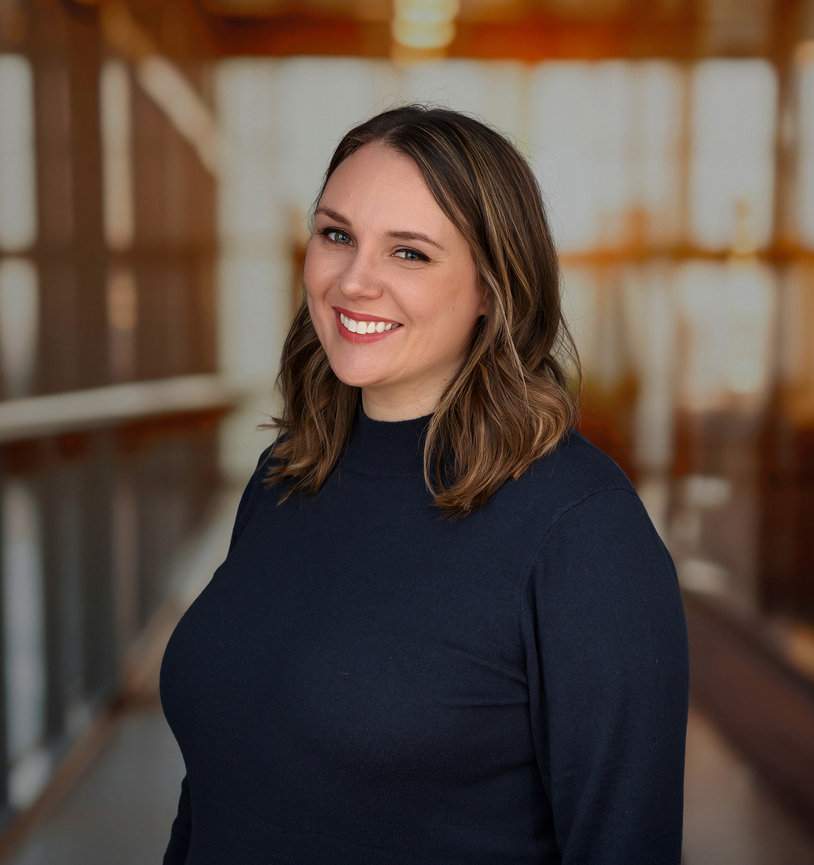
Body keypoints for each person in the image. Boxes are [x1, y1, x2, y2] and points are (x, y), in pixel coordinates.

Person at [160, 105, 688, 865]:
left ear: (491, 288)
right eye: (336, 234)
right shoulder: (286, 475)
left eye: (409, 253)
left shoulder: (580, 529)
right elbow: (217, 787)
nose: (354, 280)